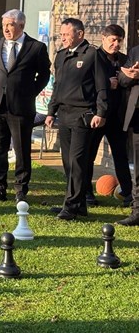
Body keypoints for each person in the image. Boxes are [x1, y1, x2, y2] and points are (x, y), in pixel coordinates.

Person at [46, 18, 107, 220]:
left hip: (83, 115)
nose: (62, 38)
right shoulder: (61, 55)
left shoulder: (92, 54)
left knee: (77, 161)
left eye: (66, 34)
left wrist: (100, 113)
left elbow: (101, 86)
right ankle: (77, 204)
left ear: (80, 34)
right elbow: (57, 86)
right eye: (61, 34)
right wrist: (51, 111)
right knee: (67, 162)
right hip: (64, 114)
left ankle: (71, 207)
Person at [0, 10, 50, 203]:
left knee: (21, 149)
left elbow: (44, 75)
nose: (5, 29)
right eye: (3, 25)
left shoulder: (36, 47)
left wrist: (30, 92)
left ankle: (21, 189)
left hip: (21, 106)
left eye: (10, 25)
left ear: (21, 26)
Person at [85, 24, 132, 206]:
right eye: (113, 40)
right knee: (89, 155)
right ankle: (87, 193)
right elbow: (86, 83)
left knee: (121, 156)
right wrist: (106, 83)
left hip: (117, 116)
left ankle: (128, 194)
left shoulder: (124, 60)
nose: (116, 44)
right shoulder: (93, 57)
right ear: (103, 38)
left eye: (119, 41)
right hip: (98, 115)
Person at [117, 45, 139, 225]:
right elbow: (122, 80)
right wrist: (130, 75)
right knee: (138, 169)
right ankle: (137, 212)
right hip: (138, 118)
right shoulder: (135, 51)